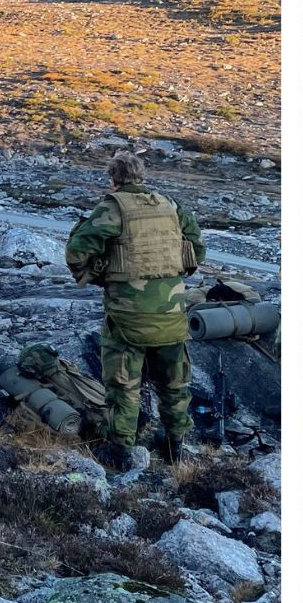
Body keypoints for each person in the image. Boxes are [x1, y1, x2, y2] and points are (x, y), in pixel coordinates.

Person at [64, 150, 209, 466]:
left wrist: (100, 273)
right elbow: (197, 250)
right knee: (174, 386)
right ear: (142, 177)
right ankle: (174, 449)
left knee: (123, 388)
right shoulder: (170, 206)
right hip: (171, 314)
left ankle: (120, 454)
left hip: (127, 317)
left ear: (113, 179)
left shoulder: (112, 209)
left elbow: (76, 252)